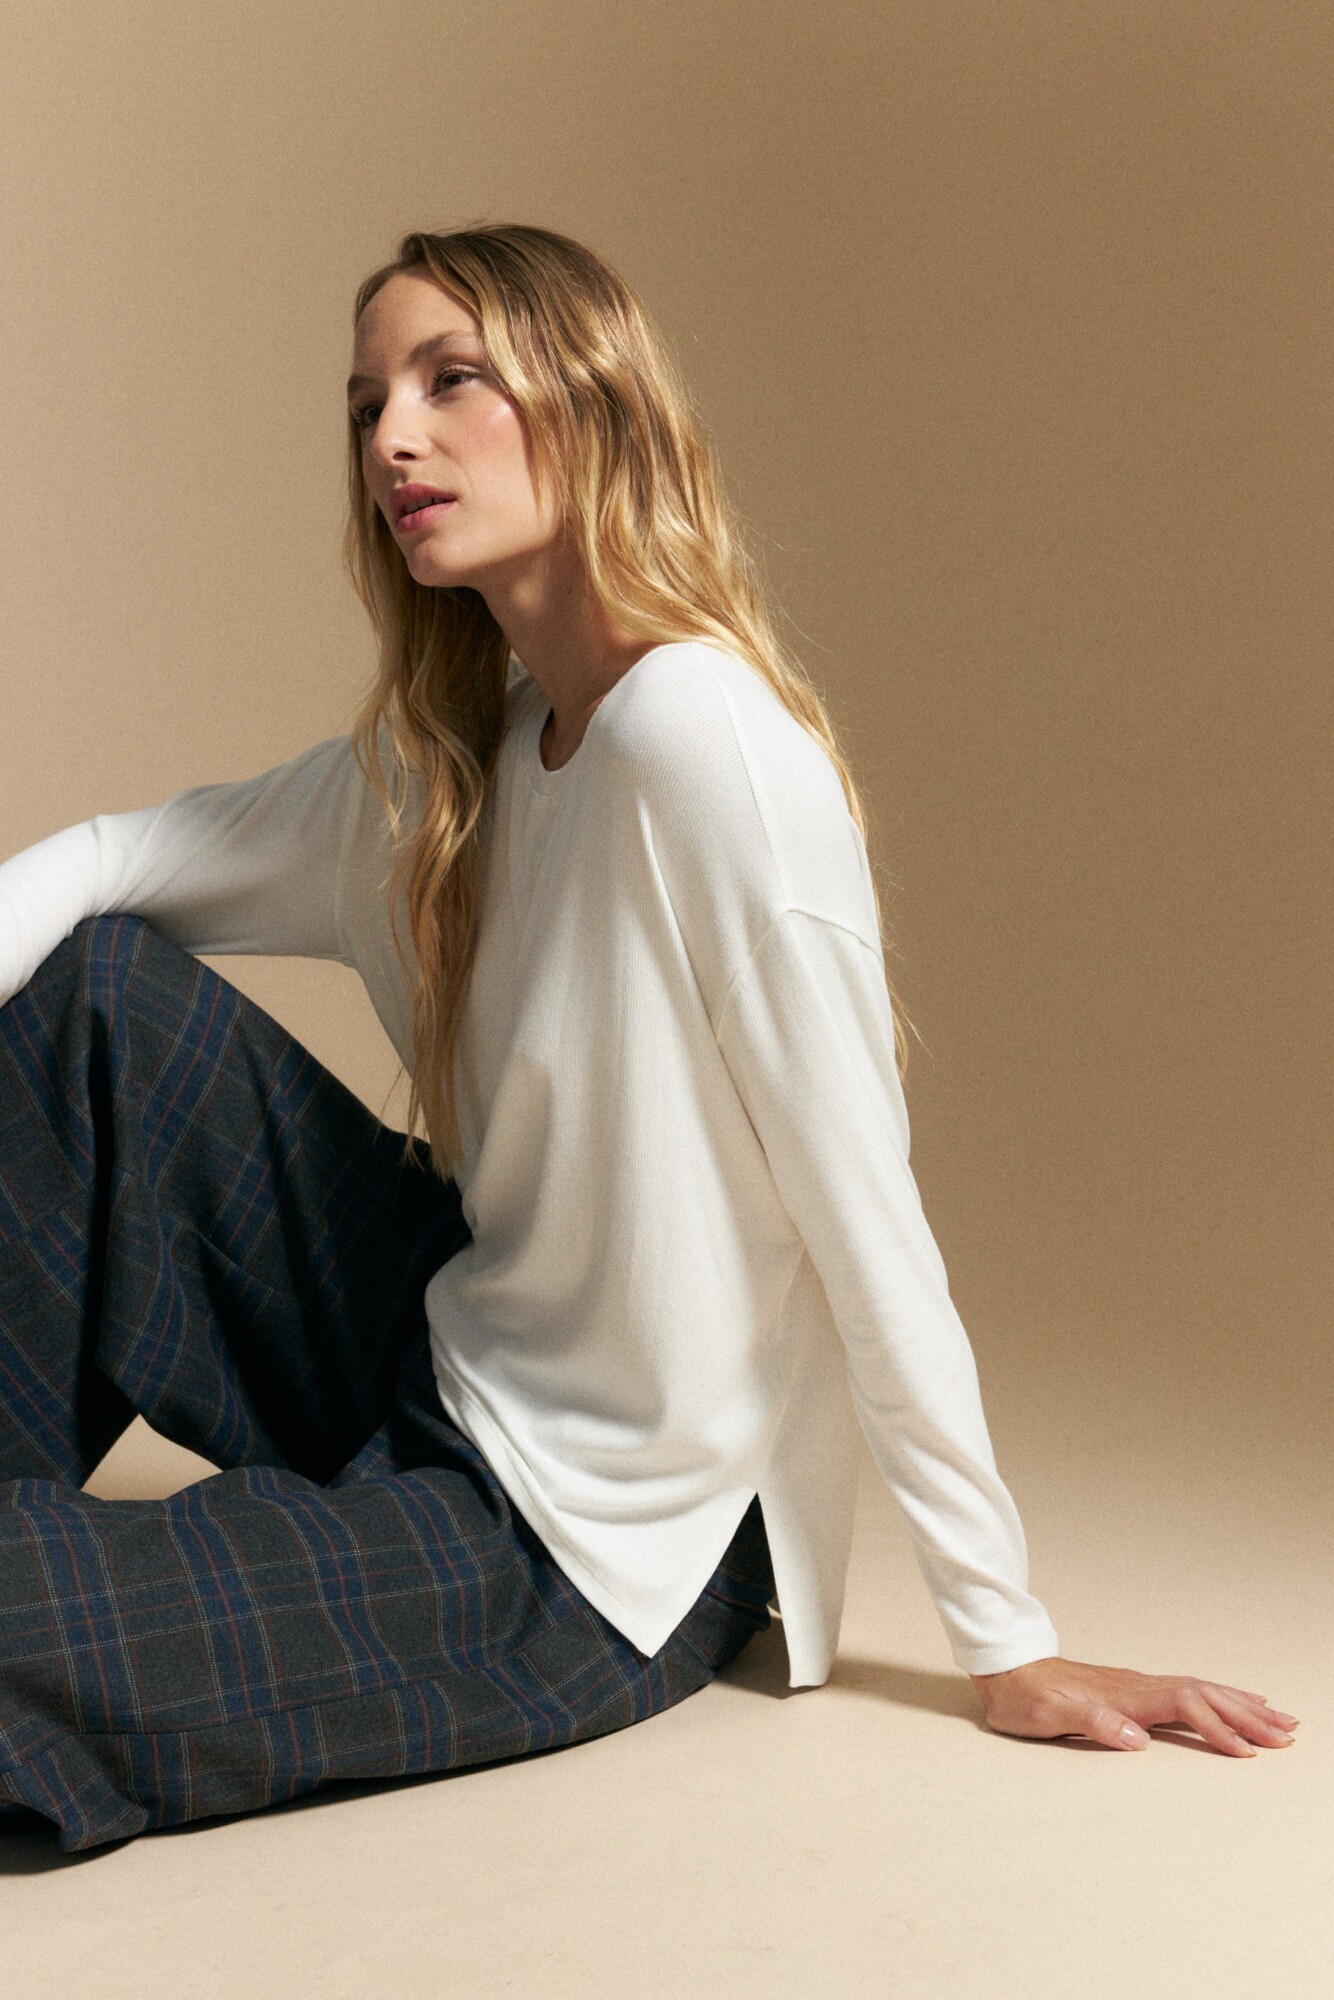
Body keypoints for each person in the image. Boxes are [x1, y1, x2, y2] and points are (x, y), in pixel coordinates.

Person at [0, 224, 1297, 1853]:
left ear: (593, 398)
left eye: (450, 380)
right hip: (442, 1352)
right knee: (96, 1002)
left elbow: (863, 1216)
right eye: (367, 403)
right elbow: (113, 858)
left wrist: (1005, 1636)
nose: (393, 437)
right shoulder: (448, 767)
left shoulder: (706, 749)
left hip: (602, 1540)